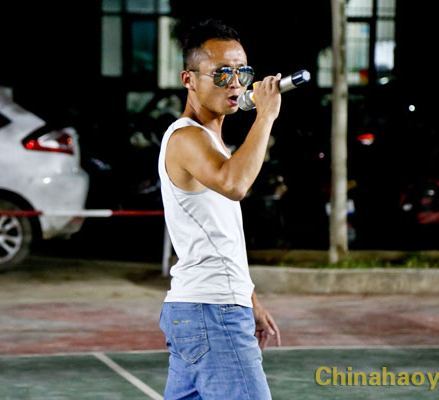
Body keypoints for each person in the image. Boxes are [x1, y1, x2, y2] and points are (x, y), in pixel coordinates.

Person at [157, 19, 281, 399]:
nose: (236, 83)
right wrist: (266, 115)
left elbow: (219, 237)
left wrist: (249, 298)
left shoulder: (211, 143)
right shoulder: (187, 138)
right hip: (212, 314)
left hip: (203, 309)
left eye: (242, 72)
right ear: (189, 80)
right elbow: (235, 185)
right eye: (222, 73)